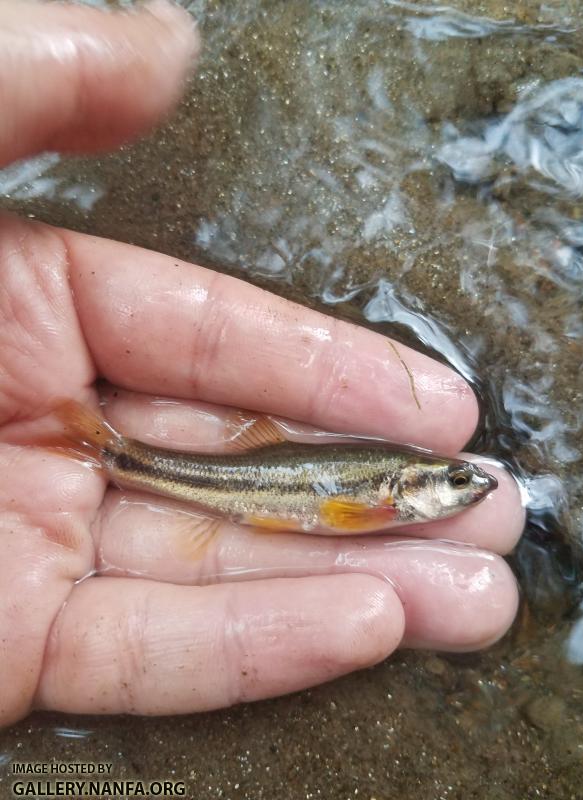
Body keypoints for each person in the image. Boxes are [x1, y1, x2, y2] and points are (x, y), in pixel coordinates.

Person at [0, 0, 524, 727]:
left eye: (458, 482)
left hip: (253, 480)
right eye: (455, 481)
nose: (466, 487)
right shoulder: (381, 493)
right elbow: (340, 509)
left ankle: (118, 455)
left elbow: (337, 509)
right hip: (241, 480)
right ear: (409, 485)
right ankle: (116, 454)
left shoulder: (383, 493)